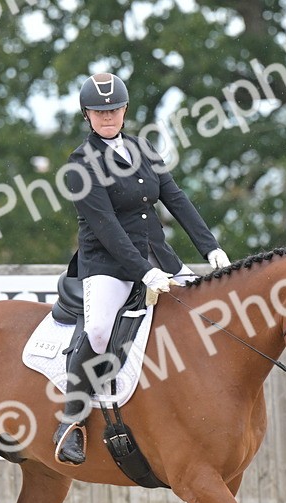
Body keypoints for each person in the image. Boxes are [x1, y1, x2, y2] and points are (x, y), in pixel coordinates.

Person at [53, 72, 230, 466]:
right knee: (98, 329)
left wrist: (211, 247)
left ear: (125, 109)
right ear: (87, 115)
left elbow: (175, 197)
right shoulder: (80, 165)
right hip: (107, 265)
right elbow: (107, 228)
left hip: (158, 256)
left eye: (114, 109)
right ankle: (71, 421)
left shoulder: (142, 148)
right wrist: (141, 272)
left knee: (205, 313)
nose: (108, 117)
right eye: (99, 112)